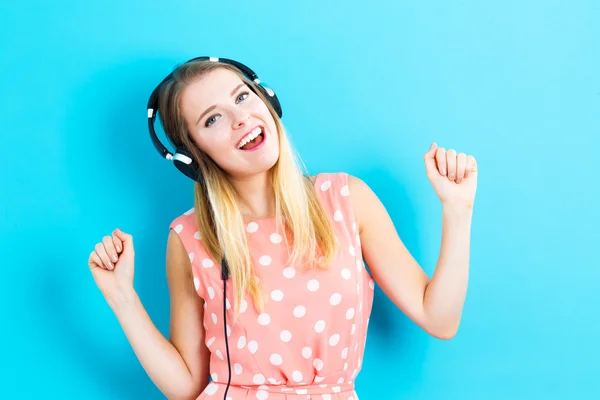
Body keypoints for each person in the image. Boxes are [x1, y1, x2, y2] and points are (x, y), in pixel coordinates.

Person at [87, 57, 478, 400]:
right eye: (213, 118)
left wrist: (457, 210)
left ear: (267, 101)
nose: (241, 118)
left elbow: (439, 319)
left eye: (242, 97)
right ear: (193, 155)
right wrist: (122, 297)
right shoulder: (189, 238)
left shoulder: (347, 198)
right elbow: (187, 386)